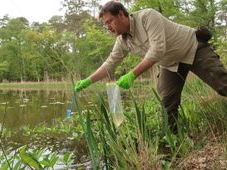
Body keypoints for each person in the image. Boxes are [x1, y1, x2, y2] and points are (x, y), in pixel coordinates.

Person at [74, 1, 227, 133]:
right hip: (170, 64)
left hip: (192, 48)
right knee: (167, 104)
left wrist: (132, 74)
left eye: (110, 21)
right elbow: (110, 63)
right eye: (105, 24)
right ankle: (173, 141)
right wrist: (88, 81)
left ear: (121, 14)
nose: (108, 27)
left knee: (222, 84)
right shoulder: (122, 41)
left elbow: (157, 50)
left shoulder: (147, 16)